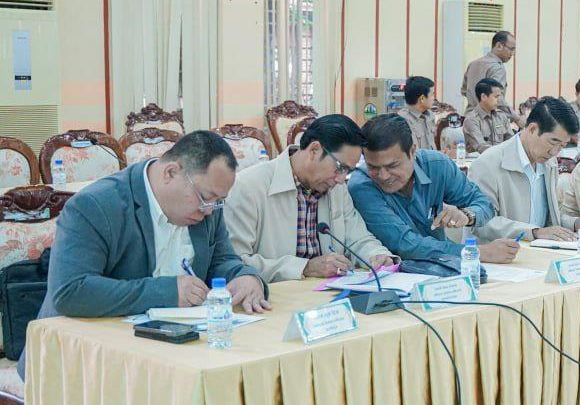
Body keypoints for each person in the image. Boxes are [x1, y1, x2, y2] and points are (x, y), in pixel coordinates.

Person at [8, 131, 269, 385]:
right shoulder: (95, 205)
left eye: (218, 202)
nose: (209, 210)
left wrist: (245, 276)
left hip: (168, 354)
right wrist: (166, 291)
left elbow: (221, 260)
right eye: (206, 198)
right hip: (81, 362)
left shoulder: (206, 209)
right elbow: (70, 291)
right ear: (171, 173)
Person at [225, 114, 396, 283]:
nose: (341, 179)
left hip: (329, 293)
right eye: (340, 167)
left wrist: (377, 255)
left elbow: (358, 238)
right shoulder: (248, 187)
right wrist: (304, 267)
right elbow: (234, 262)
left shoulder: (336, 188)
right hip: (275, 295)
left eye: (348, 171)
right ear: (314, 150)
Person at [349, 113, 517, 265]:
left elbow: (485, 204)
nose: (383, 176)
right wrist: (476, 252)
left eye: (392, 166)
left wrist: (467, 215)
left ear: (413, 151)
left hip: (445, 269)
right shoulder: (362, 186)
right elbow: (406, 245)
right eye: (373, 167)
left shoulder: (437, 166)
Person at [469, 96, 580, 241]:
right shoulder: (488, 163)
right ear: (532, 129)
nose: (554, 152)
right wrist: (534, 232)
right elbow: (480, 221)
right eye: (553, 142)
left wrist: (575, 223)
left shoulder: (549, 163)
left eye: (562, 146)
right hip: (498, 253)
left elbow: (547, 217)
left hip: (536, 250)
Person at [461, 30, 516, 111]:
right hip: (488, 116)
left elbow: (464, 91)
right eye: (511, 49)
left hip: (470, 114)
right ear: (499, 46)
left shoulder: (473, 64)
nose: (512, 54)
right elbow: (498, 99)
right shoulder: (497, 68)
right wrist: (516, 116)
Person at [462, 78, 516, 153]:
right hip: (481, 159)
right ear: (483, 97)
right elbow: (482, 147)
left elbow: (511, 141)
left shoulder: (501, 116)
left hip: (502, 157)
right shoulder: (471, 120)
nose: (499, 100)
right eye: (496, 97)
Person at [397, 75, 437, 151]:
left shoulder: (430, 115)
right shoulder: (403, 121)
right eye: (432, 94)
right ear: (422, 98)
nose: (434, 98)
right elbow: (413, 153)